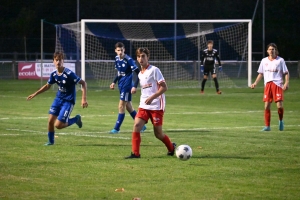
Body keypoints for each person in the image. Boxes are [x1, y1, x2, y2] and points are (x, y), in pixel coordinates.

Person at [27, 52, 88, 145]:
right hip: (58, 99)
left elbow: (83, 83)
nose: (58, 62)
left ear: (62, 61)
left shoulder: (69, 73)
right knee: (50, 121)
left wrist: (83, 99)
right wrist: (35, 94)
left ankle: (76, 119)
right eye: (56, 60)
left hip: (68, 101)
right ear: (53, 61)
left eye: (60, 60)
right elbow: (48, 86)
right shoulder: (54, 74)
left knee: (58, 125)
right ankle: (50, 142)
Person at [125, 47, 176, 159]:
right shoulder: (140, 74)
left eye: (143, 56)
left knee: (158, 134)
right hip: (144, 105)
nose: (140, 58)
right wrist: (135, 88)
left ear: (148, 57)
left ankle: (171, 147)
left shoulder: (154, 70)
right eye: (138, 56)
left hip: (156, 105)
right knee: (137, 125)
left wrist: (152, 97)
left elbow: (164, 87)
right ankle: (135, 154)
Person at [251, 43, 289, 131]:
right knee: (267, 106)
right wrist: (255, 83)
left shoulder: (280, 60)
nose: (271, 51)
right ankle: (267, 126)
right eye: (270, 49)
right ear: (267, 51)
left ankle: (281, 120)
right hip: (268, 85)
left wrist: (286, 83)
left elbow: (286, 72)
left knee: (279, 105)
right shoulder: (264, 61)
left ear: (276, 50)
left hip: (277, 84)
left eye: (273, 49)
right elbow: (261, 73)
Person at [110, 42, 146, 134]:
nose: (120, 52)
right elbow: (119, 73)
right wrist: (114, 82)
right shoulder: (116, 59)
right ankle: (142, 125)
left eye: (121, 50)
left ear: (124, 50)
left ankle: (116, 128)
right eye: (118, 50)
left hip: (127, 85)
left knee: (121, 106)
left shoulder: (128, 60)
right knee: (129, 107)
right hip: (121, 84)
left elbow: (139, 73)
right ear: (115, 51)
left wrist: (134, 86)